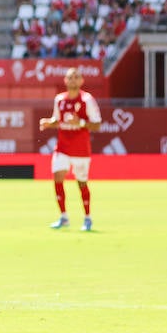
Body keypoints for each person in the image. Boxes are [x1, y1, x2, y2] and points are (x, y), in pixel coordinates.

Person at [38, 67, 101, 231]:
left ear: (81, 81)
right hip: (63, 147)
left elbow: (97, 124)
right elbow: (58, 120)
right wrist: (48, 122)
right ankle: (63, 217)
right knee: (57, 176)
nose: (73, 80)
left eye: (76, 77)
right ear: (65, 81)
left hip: (81, 149)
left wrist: (79, 122)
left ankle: (87, 218)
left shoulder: (87, 100)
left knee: (81, 183)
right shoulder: (59, 99)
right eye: (70, 77)